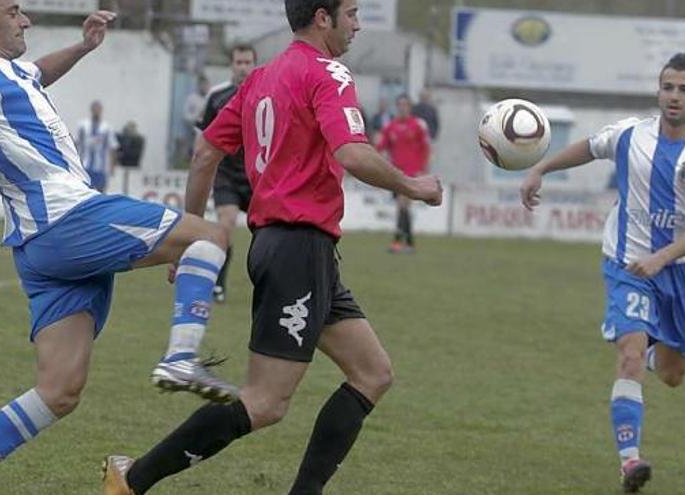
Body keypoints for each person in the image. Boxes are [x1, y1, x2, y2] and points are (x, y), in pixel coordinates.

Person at [0, 2, 237, 494]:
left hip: (39, 246)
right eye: (13, 11)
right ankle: (181, 355)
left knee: (59, 391)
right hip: (67, 218)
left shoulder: (4, 74)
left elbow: (37, 73)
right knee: (212, 235)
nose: (24, 20)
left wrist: (84, 47)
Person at [101, 1, 443, 494]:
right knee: (264, 403)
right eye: (350, 12)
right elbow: (351, 151)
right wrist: (413, 186)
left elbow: (203, 155)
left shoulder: (260, 78)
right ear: (322, 17)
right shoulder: (328, 72)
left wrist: (187, 239)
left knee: (373, 372)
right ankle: (132, 480)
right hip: (297, 250)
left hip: (298, 250)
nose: (358, 23)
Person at [520, 53, 685, 494]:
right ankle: (630, 462)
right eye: (667, 87)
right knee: (628, 356)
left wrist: (662, 258)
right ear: (658, 92)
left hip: (680, 273)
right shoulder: (630, 134)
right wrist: (540, 167)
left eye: (684, 89)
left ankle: (647, 344)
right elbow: (589, 147)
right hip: (627, 265)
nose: (674, 96)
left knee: (673, 375)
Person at [196, 43, 257, 303]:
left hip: (258, 174)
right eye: (239, 62)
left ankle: (271, 284)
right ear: (232, 65)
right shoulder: (217, 96)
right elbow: (204, 137)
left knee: (270, 232)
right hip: (227, 174)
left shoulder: (267, 91)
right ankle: (218, 284)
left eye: (247, 62)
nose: (243, 68)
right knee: (225, 224)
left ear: (255, 64)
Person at [376, 94, 431, 253]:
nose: (402, 108)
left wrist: (423, 169)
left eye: (405, 105)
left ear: (410, 107)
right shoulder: (390, 127)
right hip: (395, 174)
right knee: (403, 208)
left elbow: (426, 148)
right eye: (400, 105)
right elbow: (380, 147)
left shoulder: (418, 125)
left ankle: (397, 242)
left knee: (402, 205)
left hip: (412, 173)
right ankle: (409, 243)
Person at [76, 100, 117, 192]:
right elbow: (76, 143)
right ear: (91, 110)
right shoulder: (83, 126)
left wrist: (112, 167)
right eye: (94, 109)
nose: (96, 111)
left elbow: (113, 148)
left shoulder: (106, 127)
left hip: (100, 168)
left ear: (101, 110)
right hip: (85, 166)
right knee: (84, 192)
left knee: (100, 192)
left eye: (98, 109)